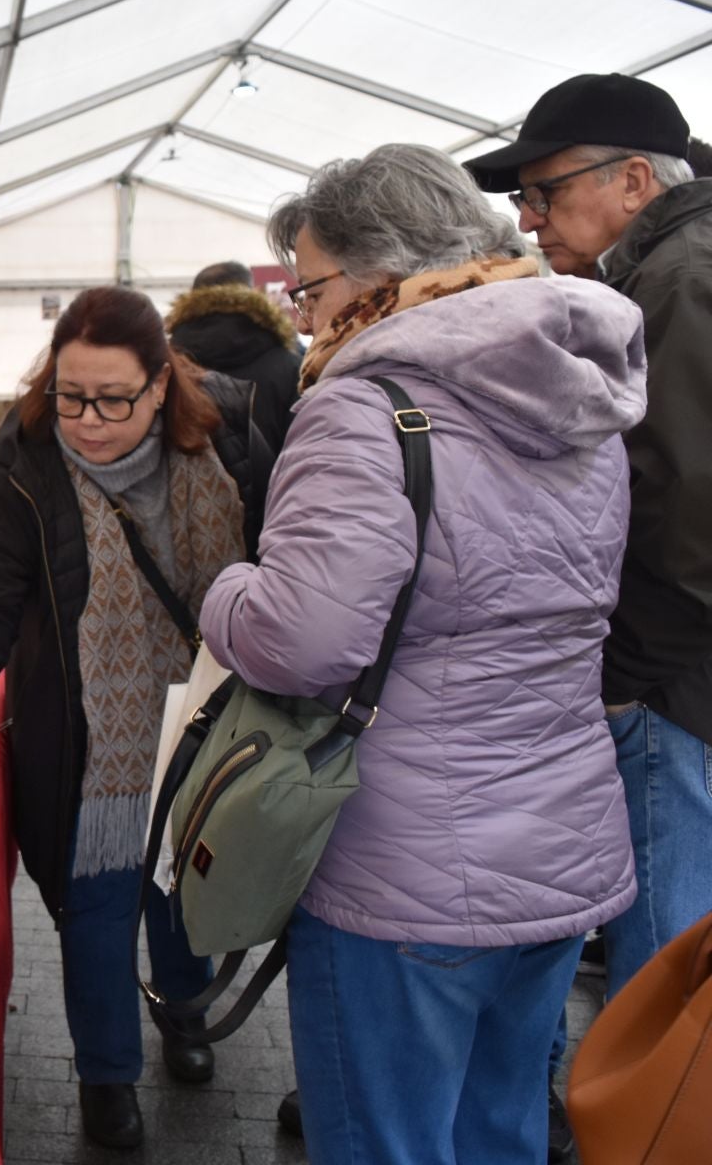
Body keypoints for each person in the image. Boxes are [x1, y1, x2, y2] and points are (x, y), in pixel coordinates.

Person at [203, 144, 644, 1164]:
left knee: (387, 1141)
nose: (306, 317)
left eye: (311, 288)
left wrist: (224, 592)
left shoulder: (362, 407)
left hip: (407, 870)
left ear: (378, 272)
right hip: (562, 843)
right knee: (502, 1132)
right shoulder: (578, 394)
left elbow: (302, 640)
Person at [0, 287, 272, 1149]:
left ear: (161, 384)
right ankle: (105, 1075)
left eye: (113, 399)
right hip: (88, 738)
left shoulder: (230, 436)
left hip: (217, 716)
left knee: (187, 882)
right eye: (70, 395)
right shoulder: (29, 457)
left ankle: (184, 1012)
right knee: (98, 905)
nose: (87, 420)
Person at [464, 75, 712, 1001]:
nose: (529, 220)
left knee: (662, 977)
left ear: (634, 180)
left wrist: (624, 676)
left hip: (675, 689)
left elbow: (690, 512)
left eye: (544, 191)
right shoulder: (670, 270)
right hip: (680, 678)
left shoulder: (680, 281)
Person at [167, 259, 304, 452]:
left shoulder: (168, 366)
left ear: (192, 297)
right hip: (278, 470)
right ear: (251, 294)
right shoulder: (290, 365)